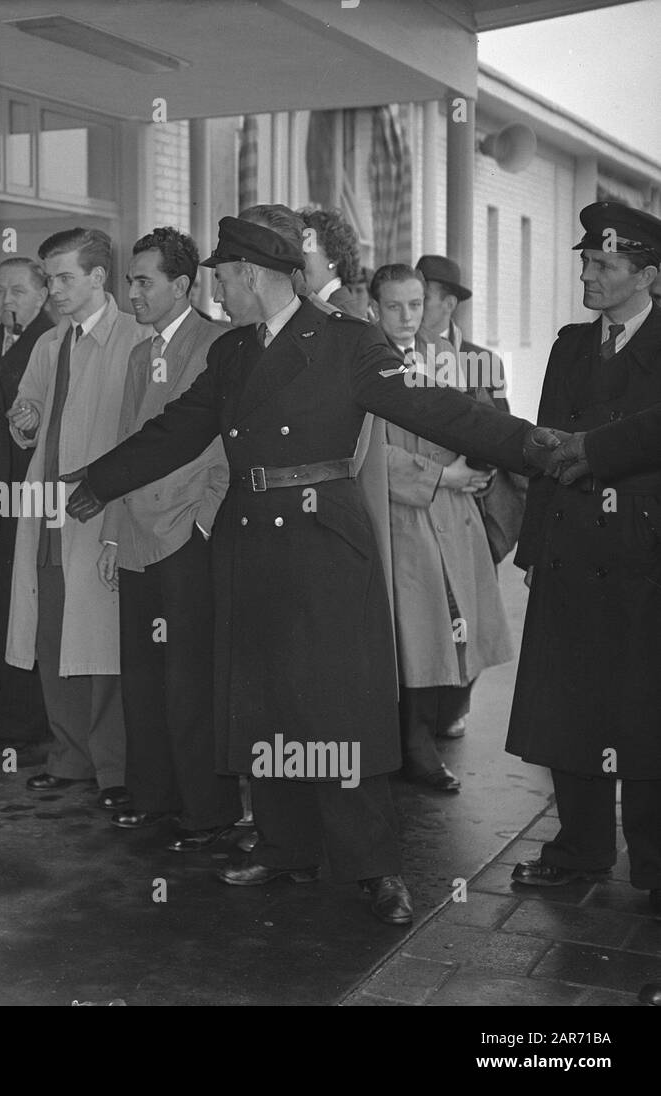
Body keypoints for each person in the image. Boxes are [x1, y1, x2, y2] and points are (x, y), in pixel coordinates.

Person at [64, 214, 565, 925]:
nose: (218, 288)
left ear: (252, 274)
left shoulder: (346, 342)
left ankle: (376, 868)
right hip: (248, 539)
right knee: (264, 697)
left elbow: (439, 409)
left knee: (340, 705)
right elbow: (178, 428)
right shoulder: (234, 353)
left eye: (223, 275)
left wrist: (537, 446)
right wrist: (99, 480)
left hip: (324, 539)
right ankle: (285, 845)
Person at [506, 201, 661, 919]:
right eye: (585, 264)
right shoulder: (571, 344)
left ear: (648, 276)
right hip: (570, 552)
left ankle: (655, 865)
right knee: (572, 708)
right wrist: (533, 546)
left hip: (644, 561)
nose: (588, 277)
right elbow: (544, 447)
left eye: (605, 266)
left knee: (644, 713)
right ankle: (579, 848)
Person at [103, 228, 235, 850]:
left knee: (191, 678)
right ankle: (152, 796)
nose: (132, 292)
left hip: (187, 532)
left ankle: (207, 810)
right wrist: (108, 532)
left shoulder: (220, 346)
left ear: (182, 286)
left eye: (143, 281)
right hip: (134, 533)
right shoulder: (137, 354)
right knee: (144, 673)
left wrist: (206, 520)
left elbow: (229, 446)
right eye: (131, 280)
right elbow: (127, 447)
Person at [6, 227, 145, 810]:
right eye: (49, 278)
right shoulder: (48, 345)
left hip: (103, 514)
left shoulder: (136, 340)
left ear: (98, 277)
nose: (53, 289)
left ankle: (115, 770)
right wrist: (25, 415)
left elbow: (145, 436)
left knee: (105, 645)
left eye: (64, 277)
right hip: (48, 513)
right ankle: (69, 760)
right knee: (53, 631)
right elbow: (28, 412)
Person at [370, 263, 514, 792]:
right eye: (395, 306)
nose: (409, 317)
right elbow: (367, 454)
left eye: (415, 304)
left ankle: (425, 736)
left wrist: (483, 463)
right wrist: (439, 476)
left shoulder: (448, 359)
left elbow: (475, 421)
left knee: (452, 623)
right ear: (374, 309)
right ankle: (413, 747)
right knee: (415, 631)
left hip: (453, 513)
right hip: (403, 512)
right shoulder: (366, 363)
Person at [0, 257, 54, 752]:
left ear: (43, 295)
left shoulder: (52, 345)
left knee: (23, 606)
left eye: (20, 291)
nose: (8, 301)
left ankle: (26, 726)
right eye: (0, 291)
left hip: (30, 496)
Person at [416, 254, 507, 411]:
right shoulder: (395, 352)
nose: (415, 307)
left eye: (424, 298)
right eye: (412, 299)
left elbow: (503, 428)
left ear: (449, 304)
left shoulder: (485, 363)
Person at [300, 207, 362, 314]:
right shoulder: (316, 306)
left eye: (304, 253)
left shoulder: (341, 312)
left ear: (333, 258)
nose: (297, 261)